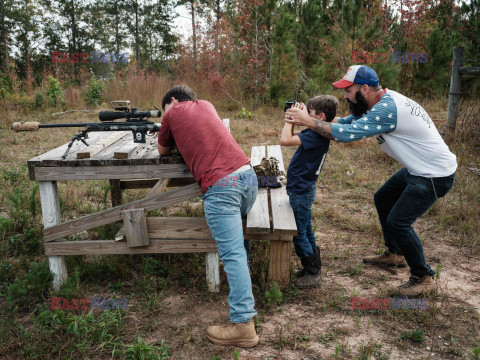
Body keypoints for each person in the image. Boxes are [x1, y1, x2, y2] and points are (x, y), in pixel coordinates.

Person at [285, 65, 457, 297]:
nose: (344, 96)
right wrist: (311, 121)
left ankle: (423, 276)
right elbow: (347, 124)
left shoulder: (387, 109)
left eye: (348, 90)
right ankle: (395, 253)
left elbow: (345, 135)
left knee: (399, 222)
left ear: (364, 88)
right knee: (383, 198)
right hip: (418, 169)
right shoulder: (378, 102)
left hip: (434, 174)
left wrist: (307, 121)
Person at [157, 85, 259, 347]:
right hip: (248, 177)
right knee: (237, 247)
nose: (165, 113)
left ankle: (243, 324)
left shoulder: (172, 112)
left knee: (232, 254)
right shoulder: (207, 104)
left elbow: (162, 151)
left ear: (173, 100)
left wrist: (166, 121)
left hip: (221, 186)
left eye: (164, 108)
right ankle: (246, 293)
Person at [280, 96, 338, 288]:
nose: (306, 114)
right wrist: (299, 118)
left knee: (299, 234)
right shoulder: (317, 131)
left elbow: (285, 139)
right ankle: (313, 265)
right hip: (304, 190)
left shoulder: (315, 135)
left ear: (320, 116)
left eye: (309, 112)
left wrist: (289, 118)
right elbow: (296, 135)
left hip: (300, 193)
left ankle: (312, 273)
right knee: (306, 229)